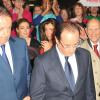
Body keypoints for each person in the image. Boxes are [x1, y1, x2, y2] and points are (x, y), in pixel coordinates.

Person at [30, 22, 96, 100]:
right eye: (67, 45)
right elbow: (37, 96)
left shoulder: (85, 56)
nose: (72, 50)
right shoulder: (42, 62)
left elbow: (90, 90)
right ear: (57, 40)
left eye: (75, 44)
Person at [0, 6, 31, 100]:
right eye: (1, 29)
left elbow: (28, 73)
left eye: (9, 28)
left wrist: (29, 94)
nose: (6, 33)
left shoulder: (21, 44)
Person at [81, 18, 100, 100]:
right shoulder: (79, 50)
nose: (93, 33)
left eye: (96, 29)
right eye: (90, 29)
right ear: (86, 30)